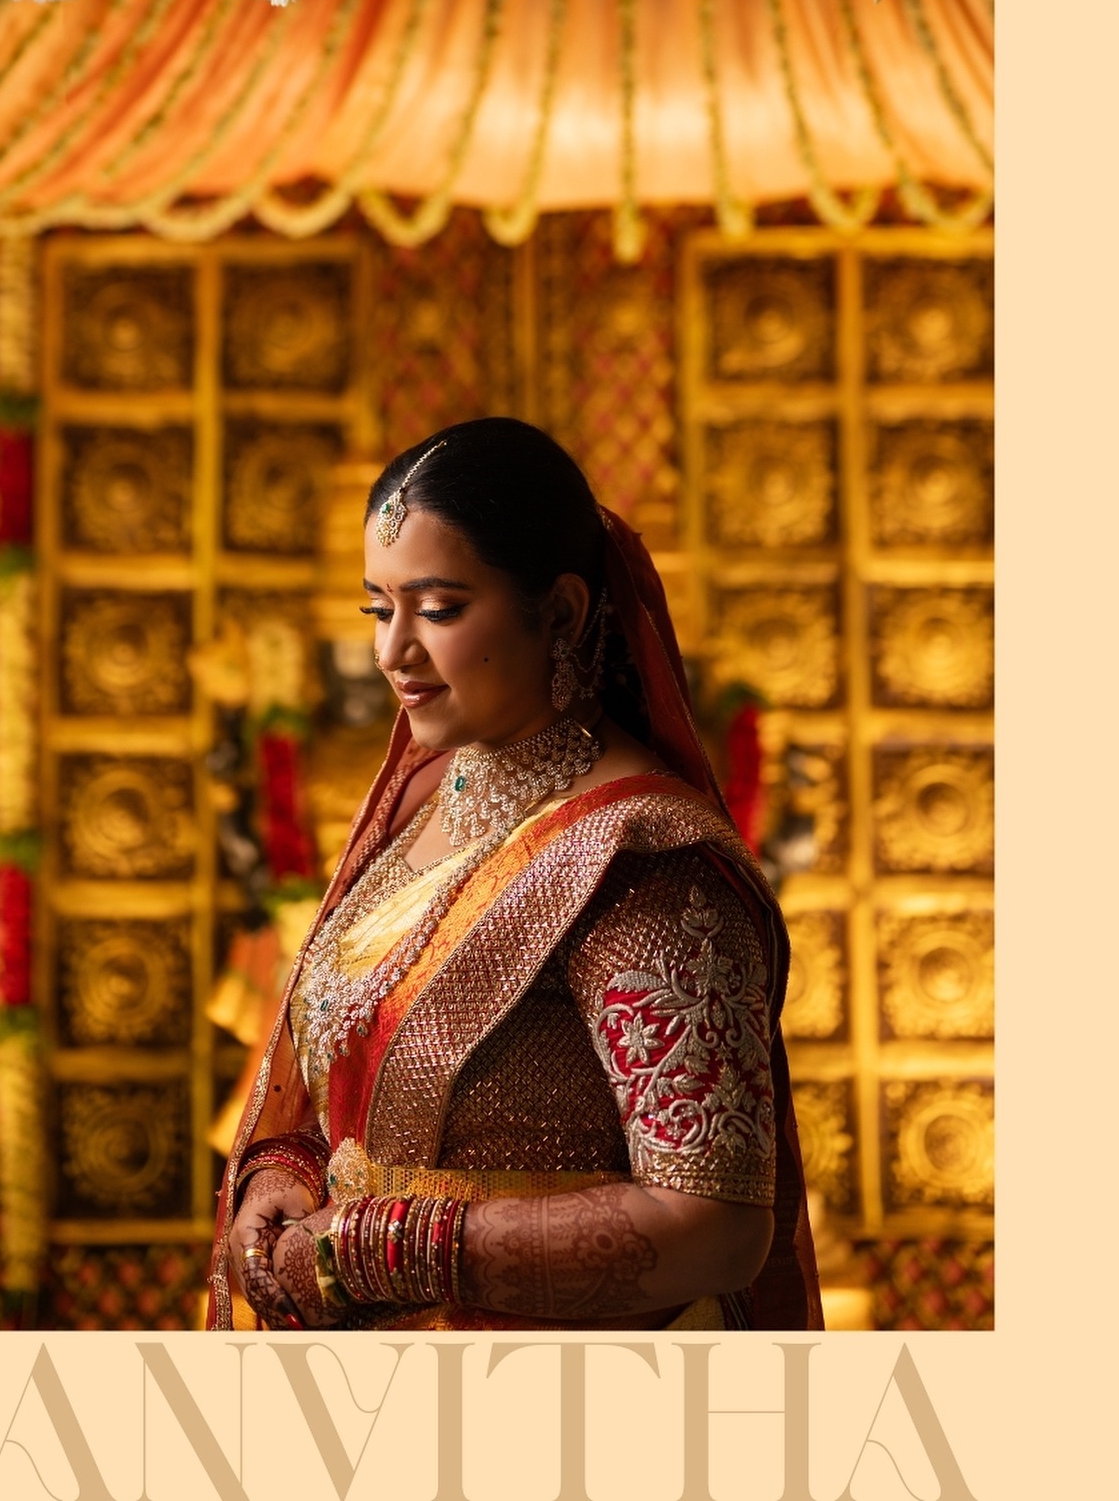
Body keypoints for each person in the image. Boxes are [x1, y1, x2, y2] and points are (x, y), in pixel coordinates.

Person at [206, 418, 821, 1331]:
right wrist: (281, 1174)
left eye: (440, 610)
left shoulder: (644, 865)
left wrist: (377, 1249)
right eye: (380, 611)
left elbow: (717, 1227)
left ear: (563, 613)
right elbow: (335, 1075)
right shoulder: (420, 802)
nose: (393, 654)